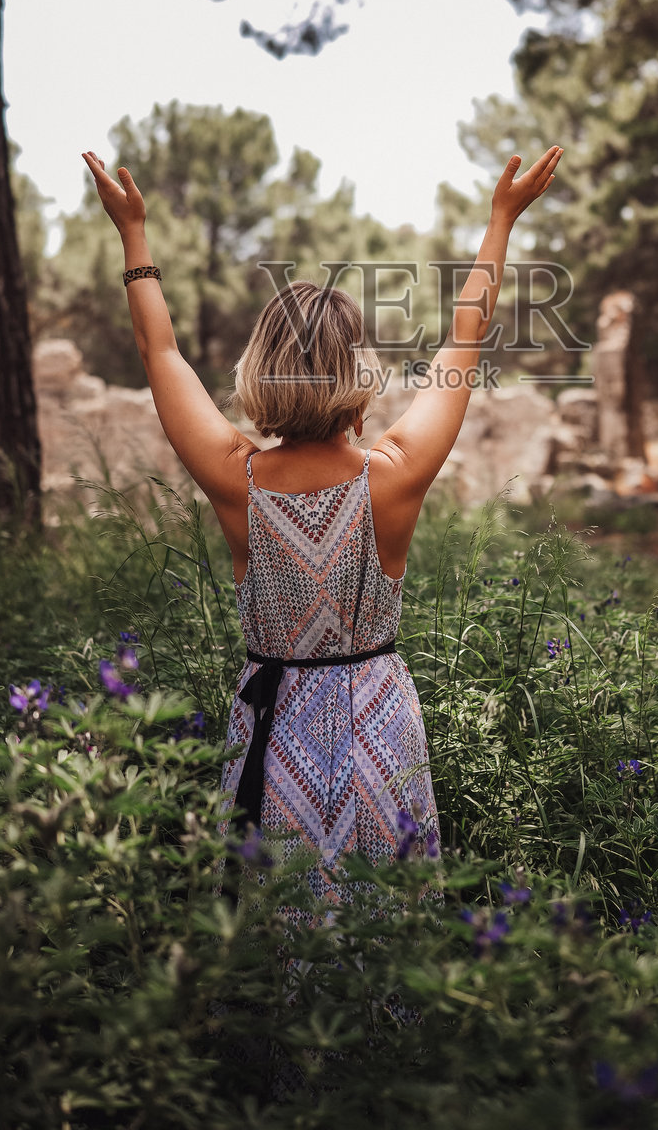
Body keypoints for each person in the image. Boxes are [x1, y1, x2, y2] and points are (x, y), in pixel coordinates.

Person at [83, 141, 563, 899]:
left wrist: (133, 234)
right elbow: (465, 338)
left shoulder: (236, 480)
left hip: (273, 736)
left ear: (259, 367)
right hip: (380, 730)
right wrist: (502, 218)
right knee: (383, 922)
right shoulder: (393, 477)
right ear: (357, 371)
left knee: (279, 928)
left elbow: (159, 351)